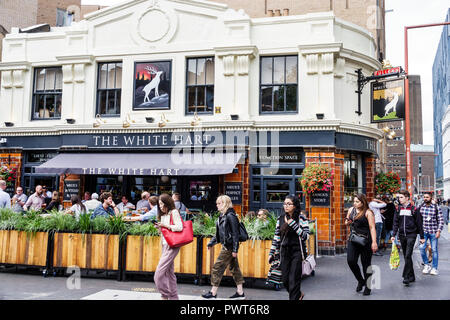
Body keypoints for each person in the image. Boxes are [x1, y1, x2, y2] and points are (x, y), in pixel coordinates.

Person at [202, 195, 245, 300]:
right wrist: (211, 243)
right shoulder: (222, 216)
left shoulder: (231, 216)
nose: (217, 205)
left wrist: (235, 250)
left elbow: (235, 234)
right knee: (234, 268)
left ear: (225, 203)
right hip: (227, 246)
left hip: (229, 247)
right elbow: (219, 234)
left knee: (217, 268)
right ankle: (240, 293)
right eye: (217, 203)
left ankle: (213, 293)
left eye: (219, 203)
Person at [269, 195, 309, 300]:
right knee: (285, 280)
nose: (286, 206)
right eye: (285, 204)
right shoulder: (281, 218)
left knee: (294, 280)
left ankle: (294, 297)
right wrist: (271, 253)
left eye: (289, 204)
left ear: (295, 206)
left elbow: (306, 236)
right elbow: (276, 237)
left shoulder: (301, 219)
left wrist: (293, 225)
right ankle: (298, 294)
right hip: (284, 252)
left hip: (297, 252)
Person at [345, 194, 377, 296]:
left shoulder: (368, 212)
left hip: (365, 241)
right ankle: (360, 280)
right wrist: (348, 222)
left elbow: (372, 228)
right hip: (353, 240)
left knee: (366, 264)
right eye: (354, 201)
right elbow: (346, 222)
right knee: (351, 261)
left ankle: (368, 286)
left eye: (357, 201)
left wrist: (374, 242)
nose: (355, 203)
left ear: (363, 202)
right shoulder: (351, 210)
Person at [153, 193, 184, 300]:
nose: (161, 206)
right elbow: (165, 232)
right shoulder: (163, 215)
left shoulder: (174, 212)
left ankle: (165, 295)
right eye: (159, 204)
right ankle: (174, 297)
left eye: (162, 204)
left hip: (172, 245)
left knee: (159, 274)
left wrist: (165, 225)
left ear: (167, 203)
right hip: (165, 245)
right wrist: (159, 227)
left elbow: (179, 227)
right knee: (169, 273)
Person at [391, 190, 425, 286]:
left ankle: (406, 277)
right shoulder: (398, 209)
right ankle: (412, 276)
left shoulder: (414, 209)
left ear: (407, 198)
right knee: (407, 256)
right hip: (402, 235)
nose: (399, 199)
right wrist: (393, 235)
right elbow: (395, 223)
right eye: (399, 197)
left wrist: (422, 237)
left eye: (401, 197)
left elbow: (419, 224)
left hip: (411, 235)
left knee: (407, 255)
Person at [418, 192, 444, 276]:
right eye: (424, 197)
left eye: (427, 197)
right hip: (424, 232)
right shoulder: (421, 207)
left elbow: (441, 220)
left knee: (434, 250)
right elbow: (418, 219)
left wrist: (439, 231)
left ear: (431, 198)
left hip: (433, 232)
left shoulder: (436, 207)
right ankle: (426, 265)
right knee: (422, 248)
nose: (425, 198)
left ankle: (434, 268)